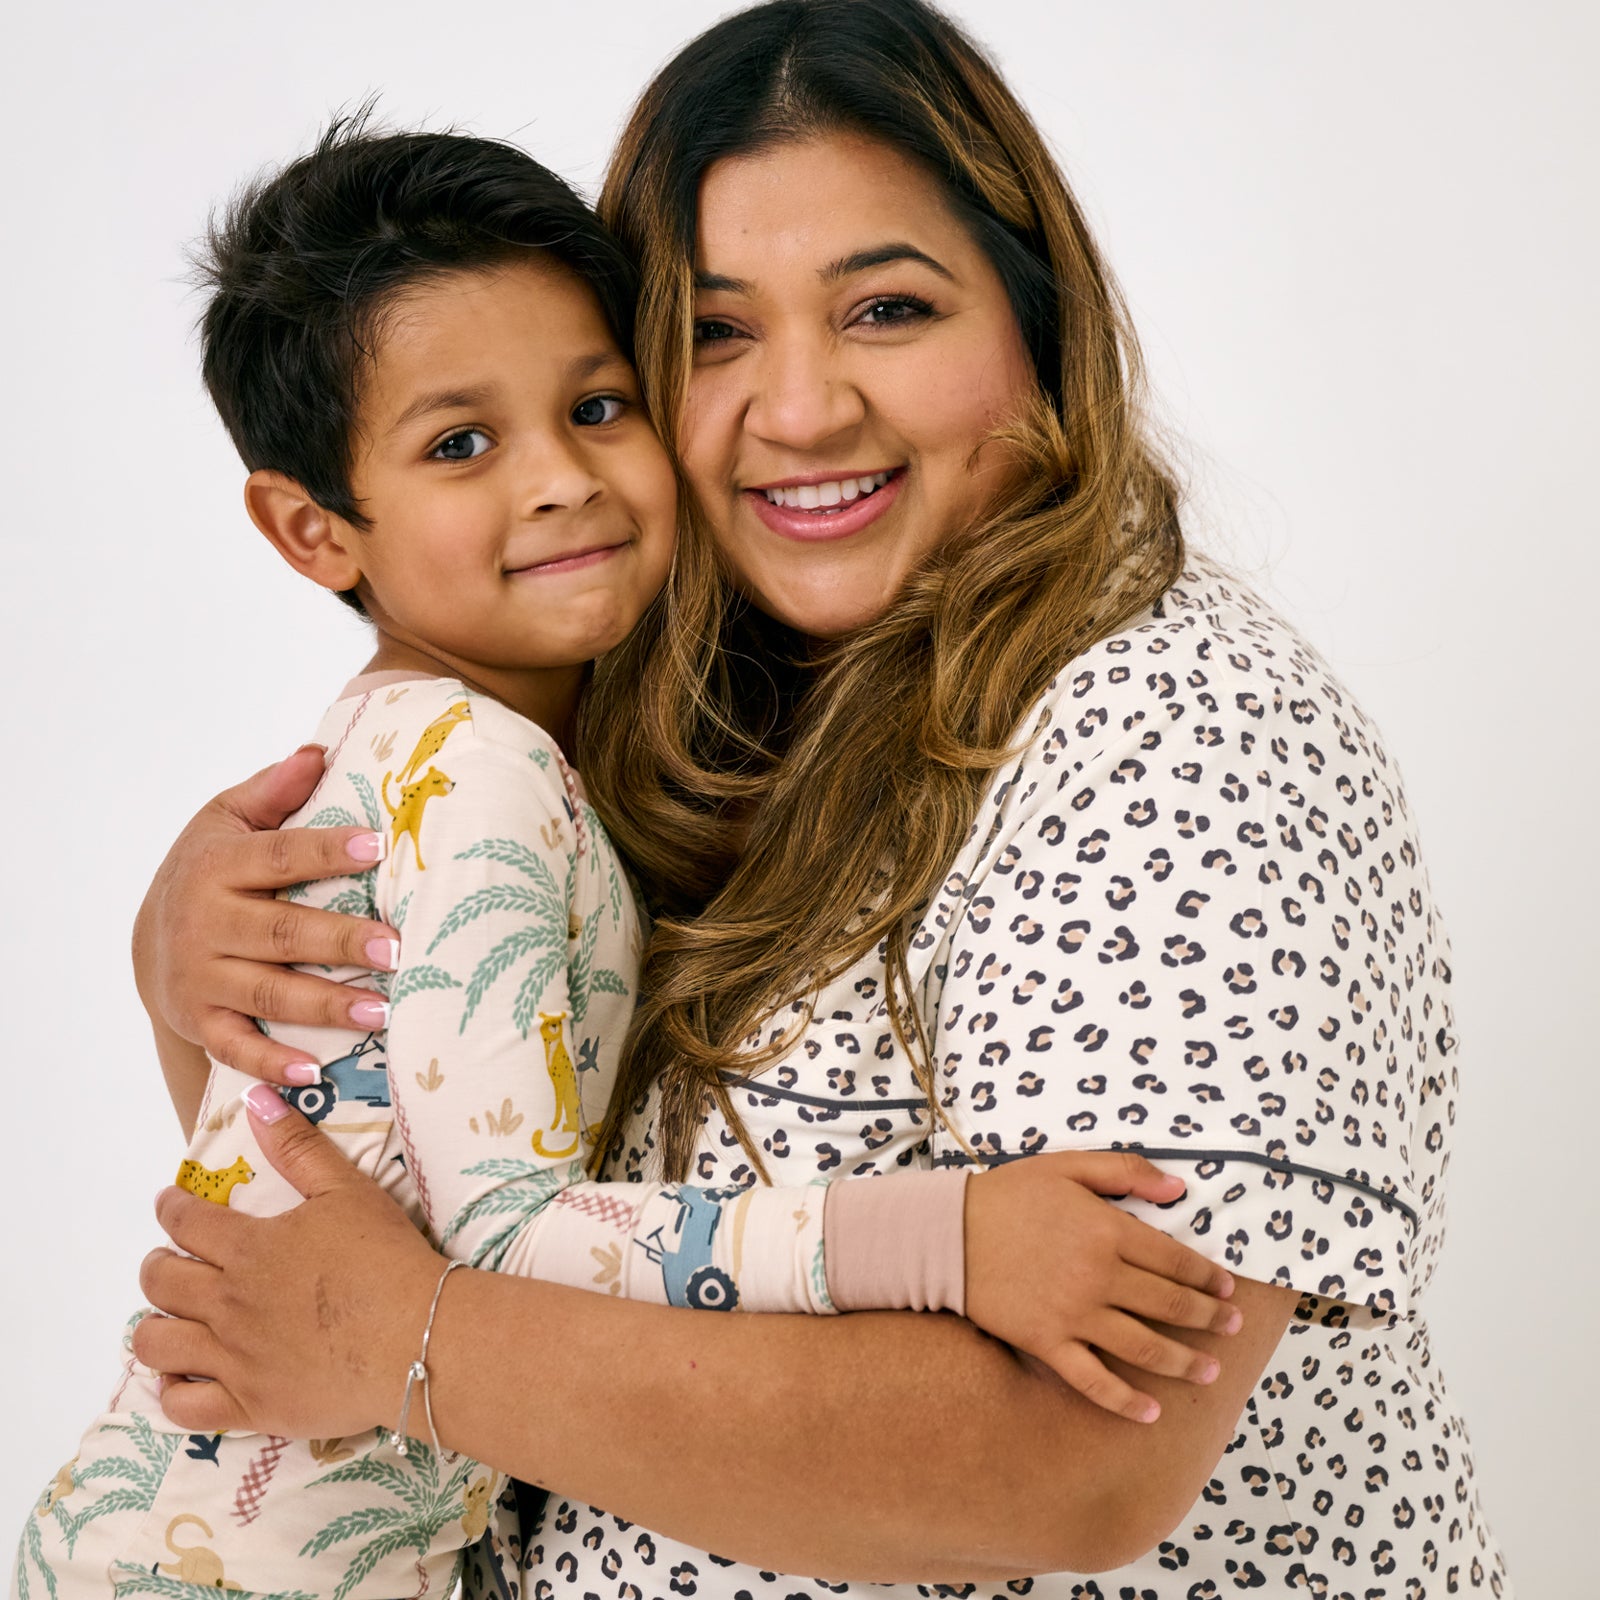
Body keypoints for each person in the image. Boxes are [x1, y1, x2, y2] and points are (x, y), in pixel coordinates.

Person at [121, 0, 1513, 1595]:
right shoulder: (694, 721)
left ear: (1038, 323)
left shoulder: (1175, 735)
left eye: (888, 310)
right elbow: (350, 1230)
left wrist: (418, 1345)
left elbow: (1080, 1463)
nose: (798, 410)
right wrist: (186, 980)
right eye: (716, 334)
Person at [13, 113, 1238, 1600]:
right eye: (460, 444)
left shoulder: (439, 756)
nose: (559, 479)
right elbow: (503, 1243)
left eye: (597, 407)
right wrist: (950, 1239)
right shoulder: (477, 776)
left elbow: (329, 1157)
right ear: (313, 530)